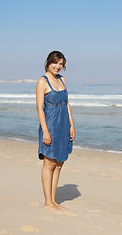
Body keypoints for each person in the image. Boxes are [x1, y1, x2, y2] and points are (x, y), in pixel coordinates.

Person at [36, 51, 75, 211]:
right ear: (48, 62)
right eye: (56, 63)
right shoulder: (42, 82)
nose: (58, 67)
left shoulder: (63, 80)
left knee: (59, 164)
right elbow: (39, 108)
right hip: (50, 125)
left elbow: (67, 104)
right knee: (49, 163)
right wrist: (45, 131)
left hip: (64, 125)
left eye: (61, 64)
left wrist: (72, 125)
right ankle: (48, 202)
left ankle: (53, 200)